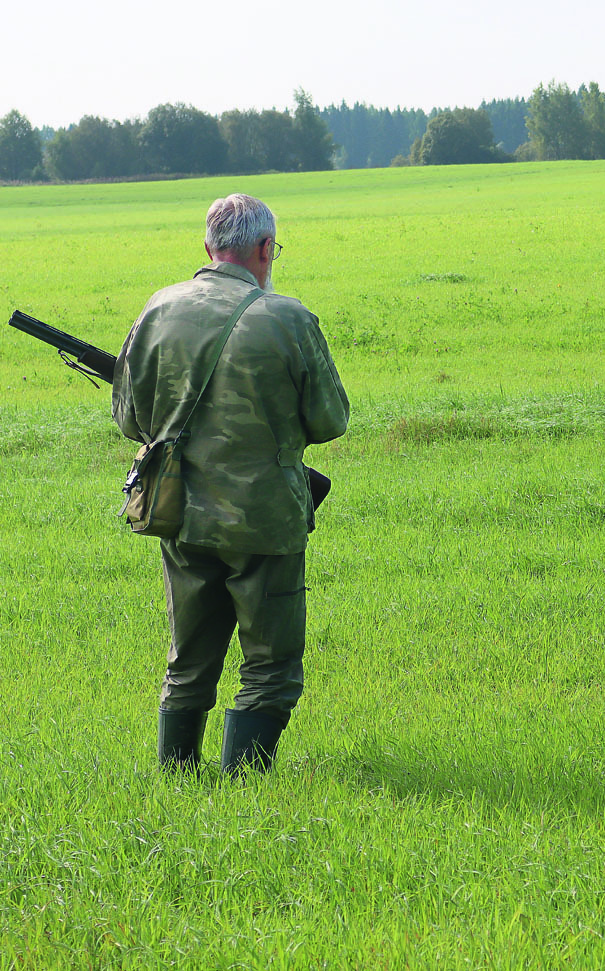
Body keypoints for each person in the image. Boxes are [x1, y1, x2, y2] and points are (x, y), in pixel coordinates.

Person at [112, 193, 349, 774]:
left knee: (187, 661)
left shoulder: (158, 309)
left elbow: (129, 421)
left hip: (180, 513)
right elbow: (330, 421)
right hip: (265, 521)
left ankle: (177, 779)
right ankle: (244, 792)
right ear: (266, 248)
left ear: (208, 247)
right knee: (269, 667)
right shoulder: (289, 319)